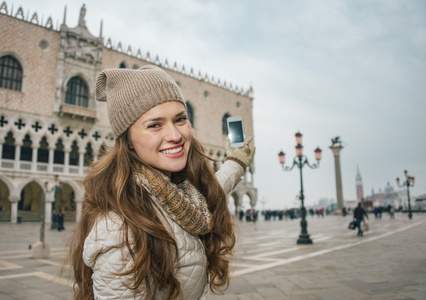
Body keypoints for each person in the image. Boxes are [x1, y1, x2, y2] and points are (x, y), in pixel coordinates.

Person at [65, 65, 255, 300]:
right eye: (155, 125)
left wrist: (236, 162)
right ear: (129, 140)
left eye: (180, 119)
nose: (175, 135)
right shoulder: (119, 230)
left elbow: (209, 194)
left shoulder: (180, 193)